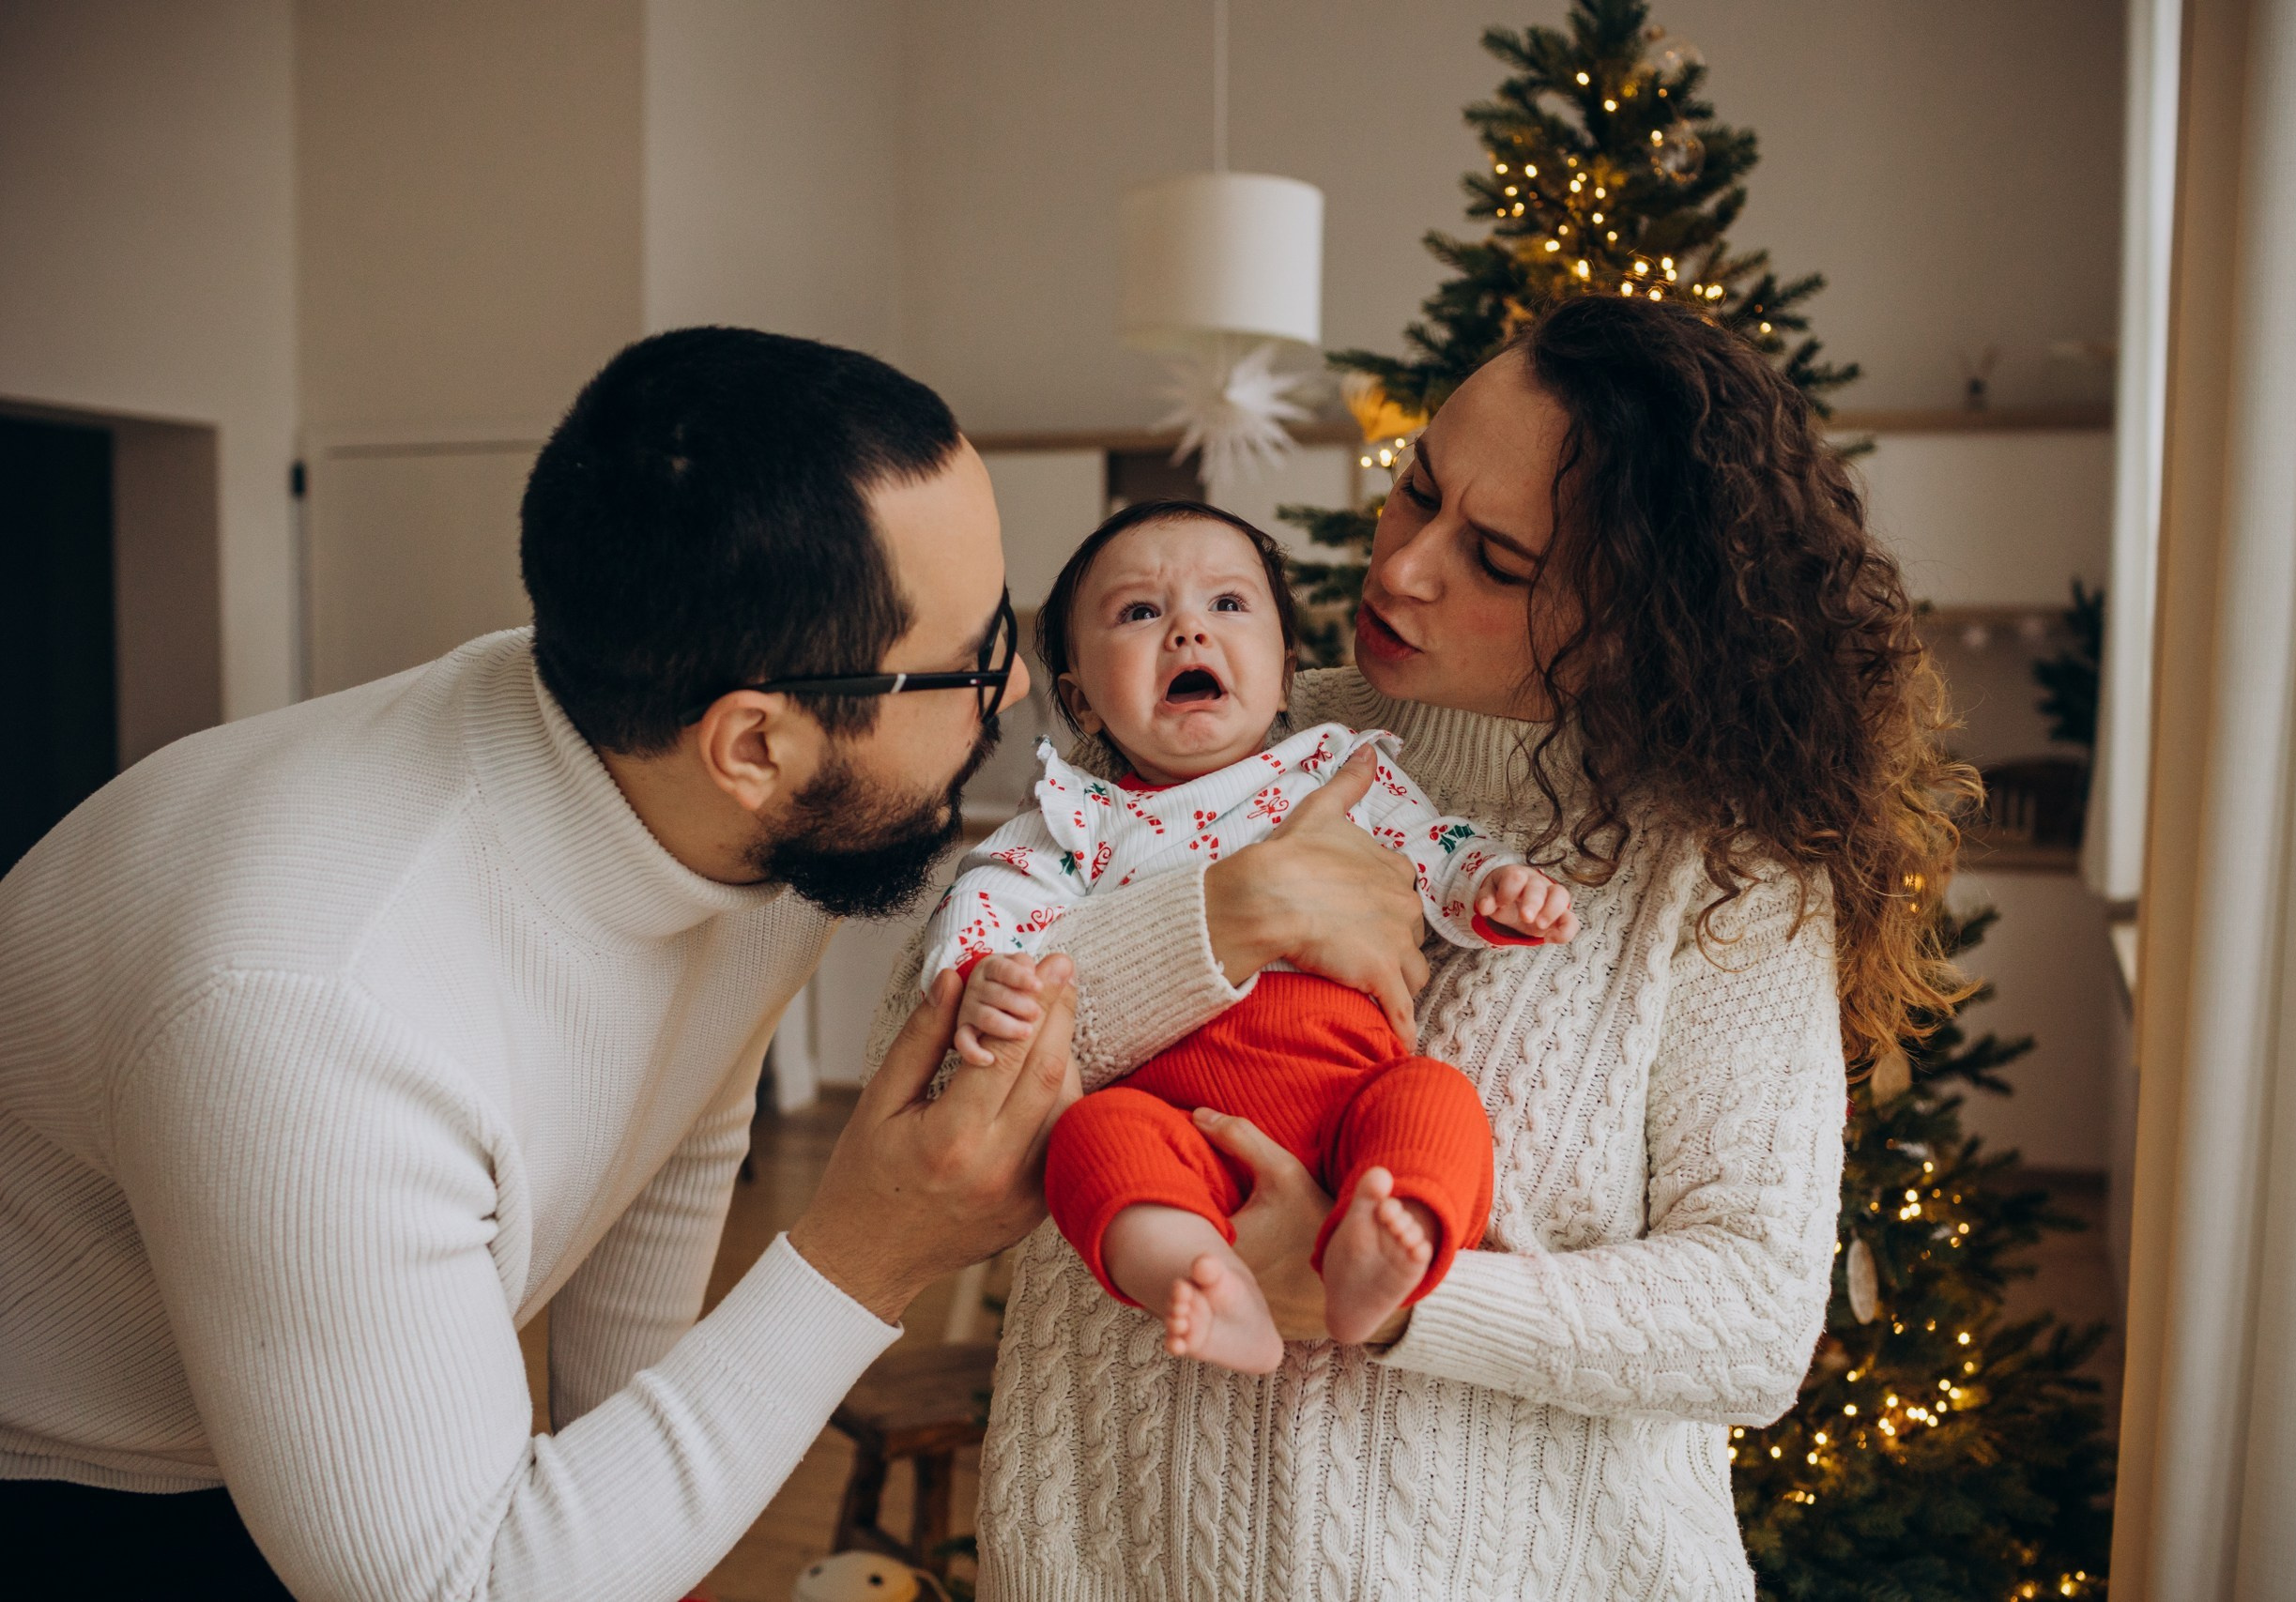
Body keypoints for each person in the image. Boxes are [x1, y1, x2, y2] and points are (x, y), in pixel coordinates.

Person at [0, 328, 1432, 1600]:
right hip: (84, 1488)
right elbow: (453, 1579)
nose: (1011, 695)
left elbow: (677, 1123)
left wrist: (645, 1529)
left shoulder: (723, 781)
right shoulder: (310, 1006)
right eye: (972, 659)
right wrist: (865, 1248)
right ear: (757, 742)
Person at [869, 295, 1975, 1598]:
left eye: (1496, 559)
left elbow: (1749, 1318)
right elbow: (927, 1049)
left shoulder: (1724, 865)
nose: (1398, 567)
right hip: (1117, 1558)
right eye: (1415, 489)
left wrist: (1384, 1301)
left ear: (1636, 615)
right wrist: (1228, 912)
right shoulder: (1238, 724)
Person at [925, 502, 1578, 1373]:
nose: (1189, 628)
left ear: (1284, 670)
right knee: (1091, 1141)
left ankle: (1386, 1241)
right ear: (1081, 696)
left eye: (1228, 604)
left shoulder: (1341, 768)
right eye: (1140, 612)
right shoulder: (1080, 814)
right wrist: (984, 975)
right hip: (1174, 1122)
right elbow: (987, 897)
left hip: (1354, 1094)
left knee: (1436, 1101)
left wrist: (1495, 887)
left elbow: (1438, 848)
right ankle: (1200, 1277)